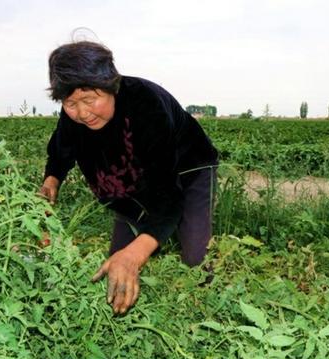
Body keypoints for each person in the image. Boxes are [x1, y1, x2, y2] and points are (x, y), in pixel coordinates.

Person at [39, 40, 218, 314]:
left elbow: (167, 195)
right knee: (116, 263)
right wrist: (52, 179)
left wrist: (136, 254)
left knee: (195, 255)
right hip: (132, 182)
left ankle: (203, 310)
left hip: (186, 169)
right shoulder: (72, 117)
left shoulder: (146, 104)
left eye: (90, 100)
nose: (83, 113)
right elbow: (62, 148)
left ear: (112, 85)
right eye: (71, 103)